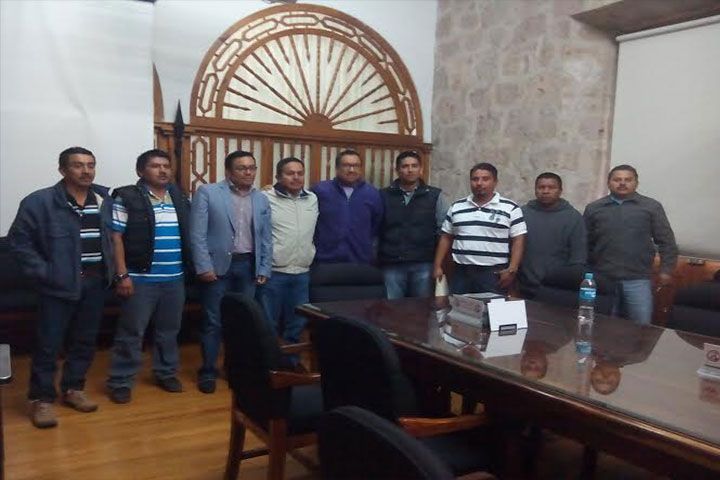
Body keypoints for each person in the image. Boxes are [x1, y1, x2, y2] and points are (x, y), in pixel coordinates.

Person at [8, 146, 114, 428]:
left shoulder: (105, 199)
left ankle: (73, 388)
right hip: (57, 285)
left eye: (91, 165)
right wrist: (46, 273)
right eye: (78, 165)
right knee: (48, 344)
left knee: (85, 340)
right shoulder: (39, 201)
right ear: (62, 170)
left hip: (95, 283)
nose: (86, 171)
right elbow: (19, 242)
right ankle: (41, 399)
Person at [106, 149, 192, 403]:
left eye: (166, 166)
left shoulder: (178, 196)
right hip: (140, 279)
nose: (163, 170)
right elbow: (115, 238)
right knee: (131, 333)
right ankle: (121, 380)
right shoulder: (127, 197)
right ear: (141, 171)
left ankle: (165, 373)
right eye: (155, 166)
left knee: (169, 331)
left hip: (175, 278)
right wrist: (122, 275)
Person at [189, 150, 272, 393]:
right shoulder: (208, 192)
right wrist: (204, 266)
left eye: (252, 168)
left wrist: (264, 266)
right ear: (228, 171)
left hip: (248, 267)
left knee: (243, 321)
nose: (248, 172)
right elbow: (196, 234)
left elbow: (266, 237)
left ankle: (235, 368)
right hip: (217, 268)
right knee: (213, 321)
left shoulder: (261, 199)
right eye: (242, 168)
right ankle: (208, 371)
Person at [584, 165, 678, 324]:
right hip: (603, 278)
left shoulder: (651, 207)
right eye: (617, 179)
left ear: (636, 183)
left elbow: (666, 241)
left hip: (638, 279)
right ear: (608, 182)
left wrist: (666, 270)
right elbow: (585, 242)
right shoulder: (594, 208)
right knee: (602, 326)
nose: (622, 183)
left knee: (641, 328)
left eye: (628, 180)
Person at [433, 162, 526, 295]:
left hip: (493, 274)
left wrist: (512, 269)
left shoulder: (510, 208)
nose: (479, 183)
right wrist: (437, 265)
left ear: (495, 182)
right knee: (458, 307)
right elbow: (446, 237)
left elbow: (518, 240)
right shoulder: (457, 207)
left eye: (485, 179)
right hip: (461, 272)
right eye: (475, 179)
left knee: (493, 307)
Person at [259, 157, 318, 355]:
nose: (296, 177)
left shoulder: (312, 198)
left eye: (300, 173)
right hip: (274, 272)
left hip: (302, 272)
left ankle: (292, 363)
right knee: (269, 323)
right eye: (290, 173)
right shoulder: (265, 198)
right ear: (278, 176)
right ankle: (270, 363)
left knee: (297, 323)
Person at [378, 151, 447, 298]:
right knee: (392, 307)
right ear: (397, 170)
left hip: (423, 264)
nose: (410, 170)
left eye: (414, 166)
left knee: (421, 308)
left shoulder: (435, 195)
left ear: (421, 169)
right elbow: (376, 228)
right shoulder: (383, 195)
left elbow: (442, 231)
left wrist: (438, 264)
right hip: (391, 264)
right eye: (405, 166)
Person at [518, 172, 586, 297]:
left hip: (558, 288)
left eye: (551, 187)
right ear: (535, 190)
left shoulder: (573, 217)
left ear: (560, 191)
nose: (546, 191)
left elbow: (578, 255)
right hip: (523, 284)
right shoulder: (521, 213)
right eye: (541, 187)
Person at [312, 149, 383, 264]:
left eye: (356, 166)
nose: (351, 170)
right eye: (346, 165)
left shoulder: (372, 193)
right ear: (337, 168)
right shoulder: (320, 190)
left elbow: (376, 225)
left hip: (360, 260)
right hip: (325, 260)